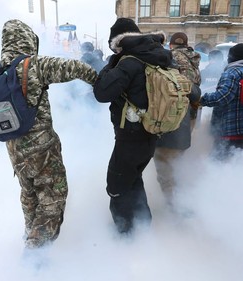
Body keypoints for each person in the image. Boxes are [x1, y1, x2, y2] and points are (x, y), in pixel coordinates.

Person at [0, 19, 98, 250]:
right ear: (29, 40)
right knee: (52, 198)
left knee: (29, 195)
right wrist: (100, 84)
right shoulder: (34, 65)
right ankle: (35, 254)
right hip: (43, 148)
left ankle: (30, 234)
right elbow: (77, 68)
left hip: (14, 150)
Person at [93, 18, 173, 234]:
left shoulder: (129, 61)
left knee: (117, 186)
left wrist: (110, 65)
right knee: (133, 179)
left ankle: (126, 234)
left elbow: (101, 93)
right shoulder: (158, 56)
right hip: (151, 132)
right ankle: (142, 226)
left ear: (117, 42)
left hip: (131, 136)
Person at [153, 32, 201, 206]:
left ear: (171, 45)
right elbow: (195, 92)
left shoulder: (169, 61)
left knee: (165, 166)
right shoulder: (194, 58)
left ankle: (175, 207)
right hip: (188, 118)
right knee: (177, 163)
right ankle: (181, 201)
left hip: (171, 121)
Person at [199, 43, 243, 160]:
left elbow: (222, 97)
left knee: (220, 163)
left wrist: (201, 99)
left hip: (230, 129)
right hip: (240, 129)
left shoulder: (232, 72)